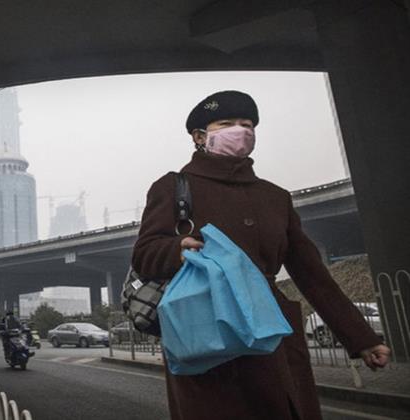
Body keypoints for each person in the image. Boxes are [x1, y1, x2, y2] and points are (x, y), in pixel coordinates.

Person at [132, 90, 391, 420]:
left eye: (247, 124)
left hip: (274, 336)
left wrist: (362, 339)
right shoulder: (173, 187)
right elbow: (144, 254)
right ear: (199, 136)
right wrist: (176, 249)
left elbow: (313, 275)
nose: (240, 131)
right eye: (226, 123)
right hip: (205, 330)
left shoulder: (275, 197)